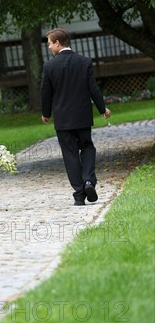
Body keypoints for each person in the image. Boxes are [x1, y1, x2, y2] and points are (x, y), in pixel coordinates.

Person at [41, 28, 111, 205]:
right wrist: (103, 109)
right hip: (82, 116)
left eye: (49, 43)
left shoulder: (49, 66)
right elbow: (93, 88)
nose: (49, 47)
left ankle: (79, 195)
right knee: (87, 147)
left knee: (70, 154)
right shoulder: (84, 62)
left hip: (63, 119)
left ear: (58, 43)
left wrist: (46, 113)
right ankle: (89, 180)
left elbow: (45, 93)